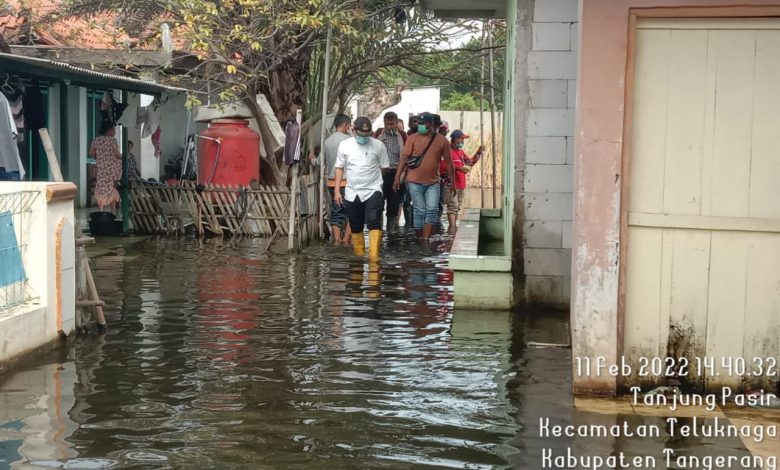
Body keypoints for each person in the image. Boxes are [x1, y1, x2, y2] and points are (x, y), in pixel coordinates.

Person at [334, 116, 390, 260]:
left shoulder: (378, 146)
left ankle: (373, 258)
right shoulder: (345, 145)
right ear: (353, 131)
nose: (364, 137)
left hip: (373, 190)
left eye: (367, 134)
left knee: (373, 221)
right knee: (355, 224)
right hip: (352, 191)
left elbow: (384, 168)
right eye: (361, 134)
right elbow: (339, 168)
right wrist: (336, 191)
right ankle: (359, 256)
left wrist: (375, 180)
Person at [393, 112, 454, 241]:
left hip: (433, 182)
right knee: (419, 210)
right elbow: (404, 158)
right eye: (419, 123)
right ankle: (420, 237)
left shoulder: (441, 140)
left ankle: (425, 239)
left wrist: (452, 183)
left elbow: (449, 162)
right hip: (414, 181)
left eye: (423, 123)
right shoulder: (412, 138)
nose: (420, 126)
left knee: (432, 209)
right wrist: (397, 177)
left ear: (431, 124)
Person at [442, 130, 484, 235]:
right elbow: (443, 168)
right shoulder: (447, 152)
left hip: (461, 184)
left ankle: (452, 229)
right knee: (452, 207)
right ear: (456, 139)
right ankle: (452, 229)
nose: (462, 141)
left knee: (457, 207)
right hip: (450, 185)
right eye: (462, 139)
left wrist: (478, 152)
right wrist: (458, 168)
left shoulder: (460, 152)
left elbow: (470, 162)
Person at [320, 114, 353, 245]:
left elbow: (319, 161)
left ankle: (337, 240)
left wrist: (312, 159)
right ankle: (346, 240)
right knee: (352, 212)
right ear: (346, 125)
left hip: (332, 182)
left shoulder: (327, 141)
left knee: (336, 211)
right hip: (348, 182)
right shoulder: (350, 141)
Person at [373, 111, 408, 233]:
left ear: (397, 123)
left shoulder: (403, 136)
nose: (389, 127)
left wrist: (401, 177)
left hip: (395, 174)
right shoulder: (377, 134)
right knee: (378, 203)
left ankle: (391, 231)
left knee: (394, 204)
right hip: (379, 174)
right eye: (386, 124)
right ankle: (379, 231)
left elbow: (406, 157)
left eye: (392, 124)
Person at [90, 121, 122, 212]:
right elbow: (117, 155)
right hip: (111, 169)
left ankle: (101, 210)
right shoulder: (112, 140)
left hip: (101, 169)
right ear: (110, 130)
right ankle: (113, 211)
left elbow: (91, 152)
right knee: (111, 188)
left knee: (101, 187)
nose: (115, 131)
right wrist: (122, 158)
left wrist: (99, 158)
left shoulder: (96, 140)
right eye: (114, 129)